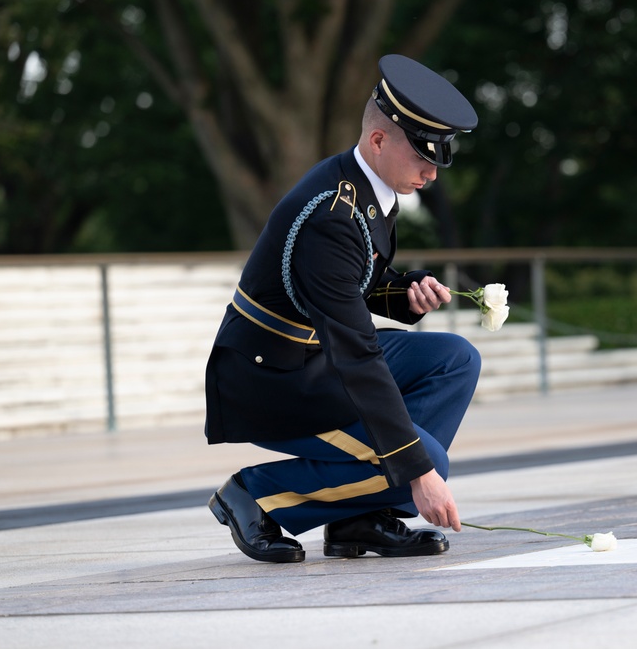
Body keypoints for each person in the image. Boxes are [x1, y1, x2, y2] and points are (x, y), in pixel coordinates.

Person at [204, 54, 482, 563]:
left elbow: (349, 281)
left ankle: (361, 520)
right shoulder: (331, 214)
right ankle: (257, 494)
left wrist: (405, 290)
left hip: (314, 356)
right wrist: (419, 474)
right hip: (275, 379)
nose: (432, 173)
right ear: (379, 140)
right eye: (424, 157)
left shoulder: (365, 187)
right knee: (425, 459)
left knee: (455, 359)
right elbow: (356, 352)